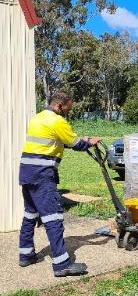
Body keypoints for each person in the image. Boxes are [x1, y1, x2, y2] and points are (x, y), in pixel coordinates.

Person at [18, 90, 101, 277]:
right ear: (59, 105)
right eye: (67, 108)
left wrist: (82, 139)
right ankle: (62, 265)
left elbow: (55, 140)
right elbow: (75, 143)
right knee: (53, 218)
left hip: (27, 171)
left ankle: (26, 255)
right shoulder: (57, 120)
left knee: (30, 214)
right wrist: (90, 142)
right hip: (42, 175)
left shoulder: (37, 118)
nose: (68, 112)